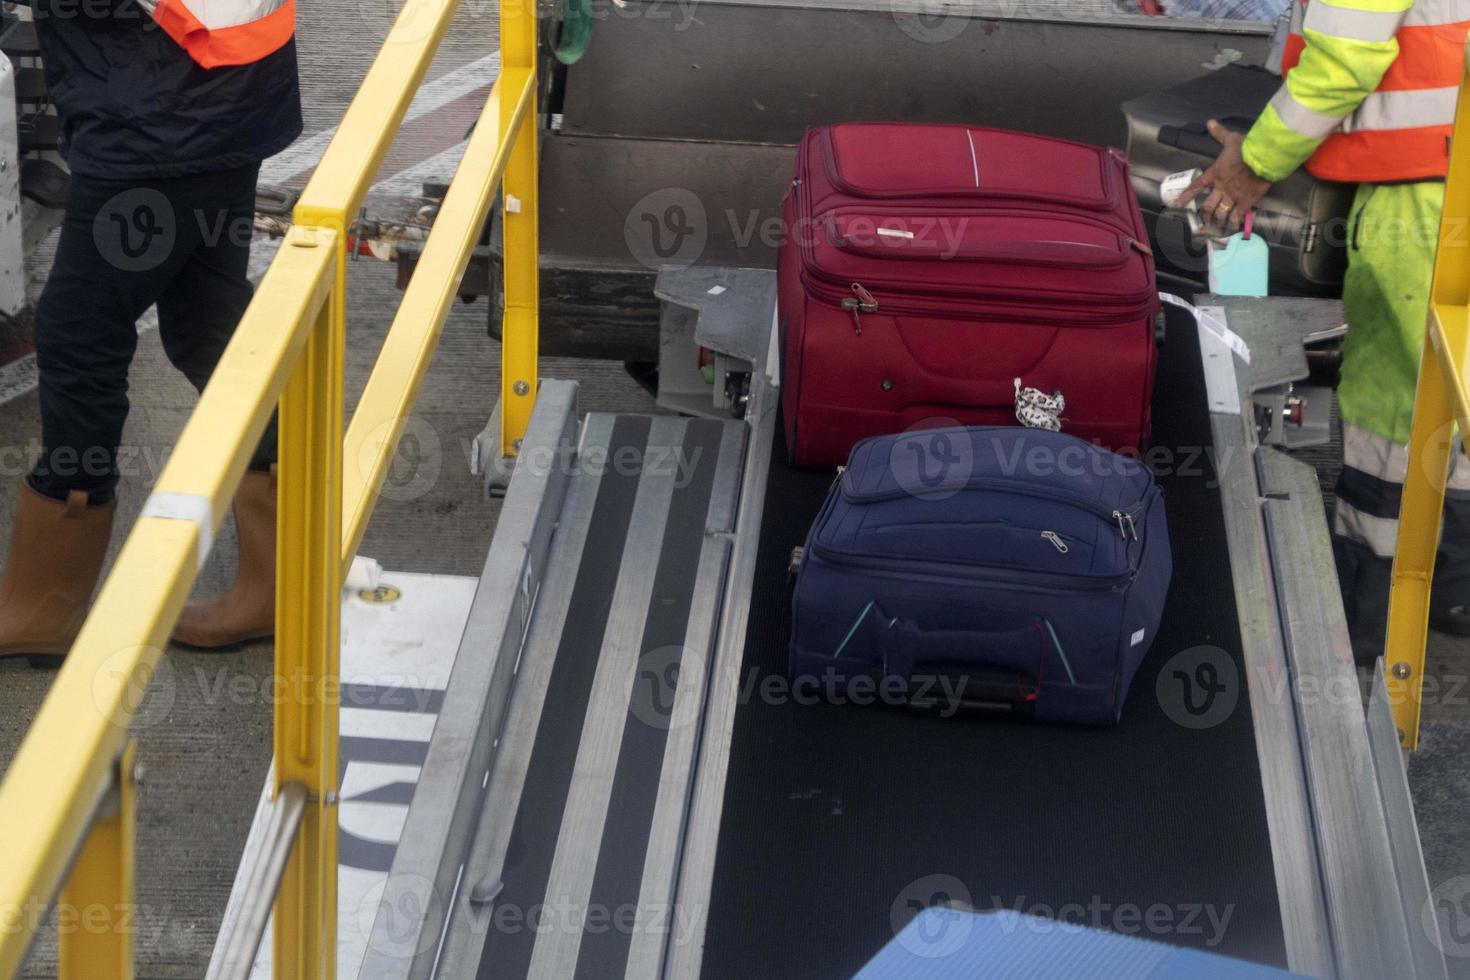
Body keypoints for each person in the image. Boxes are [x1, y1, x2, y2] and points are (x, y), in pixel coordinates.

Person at [0, 0, 302, 658]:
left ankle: (44, 602)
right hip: (223, 84)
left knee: (80, 334)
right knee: (208, 324)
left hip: (161, 107)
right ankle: (287, 577)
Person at [1185, 0, 1470, 661]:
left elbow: (1344, 60)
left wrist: (1254, 160)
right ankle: (1453, 585)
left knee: (1399, 400)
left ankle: (1374, 606)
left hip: (1428, 192)